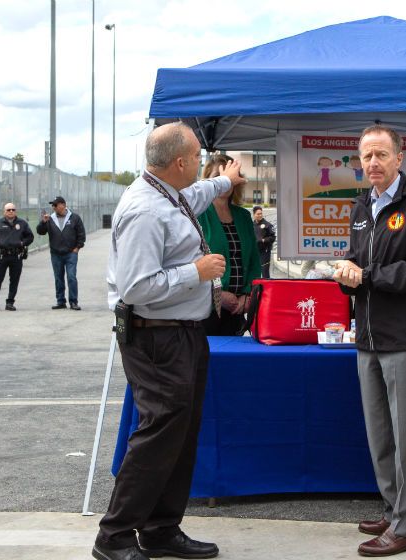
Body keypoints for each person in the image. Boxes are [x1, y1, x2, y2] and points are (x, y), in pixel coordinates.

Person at [95, 122, 244, 560]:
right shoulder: (144, 210)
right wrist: (195, 273)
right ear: (179, 162)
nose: (200, 166)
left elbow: (196, 194)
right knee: (159, 434)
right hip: (156, 337)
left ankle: (160, 527)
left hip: (181, 333)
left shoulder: (169, 191)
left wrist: (225, 180)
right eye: (197, 159)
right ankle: (115, 536)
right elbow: (137, 287)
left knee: (180, 434)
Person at [333, 125, 406, 557]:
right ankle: (392, 507)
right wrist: (347, 277)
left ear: (401, 158)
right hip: (369, 338)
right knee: (379, 435)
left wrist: (366, 277)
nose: (373, 163)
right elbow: (360, 265)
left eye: (382, 154)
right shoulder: (362, 205)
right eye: (366, 157)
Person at [198, 154, 261, 336]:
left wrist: (248, 295)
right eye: (218, 176)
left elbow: (254, 261)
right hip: (207, 308)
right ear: (208, 180)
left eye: (229, 176)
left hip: (238, 309)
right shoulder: (199, 214)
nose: (225, 182)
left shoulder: (243, 216)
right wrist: (218, 294)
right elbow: (191, 261)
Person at [37, 196, 86, 310]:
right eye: (52, 205)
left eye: (55, 204)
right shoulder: (50, 219)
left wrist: (77, 248)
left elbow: (81, 234)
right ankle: (60, 301)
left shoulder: (74, 218)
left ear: (63, 205)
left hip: (71, 253)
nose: (53, 207)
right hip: (56, 254)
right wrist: (43, 222)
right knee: (58, 278)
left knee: (71, 277)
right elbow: (41, 231)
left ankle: (73, 302)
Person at [0, 202, 34, 312]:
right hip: (2, 256)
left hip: (16, 256)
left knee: (14, 280)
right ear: (4, 211)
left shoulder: (22, 223)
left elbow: (30, 237)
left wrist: (22, 243)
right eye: (8, 210)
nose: (11, 211)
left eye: (13, 209)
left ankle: (10, 302)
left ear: (16, 211)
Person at [252, 205, 276, 278]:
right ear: (254, 214)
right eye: (258, 214)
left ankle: (267, 288)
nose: (260, 215)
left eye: (261, 213)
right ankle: (255, 288)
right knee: (254, 271)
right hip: (254, 251)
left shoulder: (268, 225)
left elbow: (273, 237)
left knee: (264, 272)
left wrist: (263, 240)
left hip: (264, 252)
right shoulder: (251, 225)